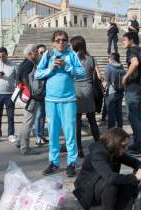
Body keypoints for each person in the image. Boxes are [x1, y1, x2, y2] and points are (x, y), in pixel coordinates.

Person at [73, 128, 141, 210]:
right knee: (112, 183)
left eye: (127, 145)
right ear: (114, 144)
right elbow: (110, 177)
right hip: (86, 190)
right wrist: (135, 177)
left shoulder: (114, 151)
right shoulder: (98, 154)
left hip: (99, 184)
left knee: (127, 181)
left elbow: (134, 162)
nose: (126, 148)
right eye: (124, 146)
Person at [35, 30, 85, 177]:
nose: (61, 42)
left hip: (68, 101)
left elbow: (82, 73)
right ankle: (54, 163)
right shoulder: (48, 55)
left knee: (70, 134)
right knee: (53, 134)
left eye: (64, 40)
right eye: (58, 40)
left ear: (67, 42)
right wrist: (51, 69)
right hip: (51, 101)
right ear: (53, 42)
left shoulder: (71, 55)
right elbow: (38, 74)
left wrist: (67, 67)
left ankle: (71, 163)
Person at [70, 35, 102, 158]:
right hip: (88, 91)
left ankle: (79, 150)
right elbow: (99, 76)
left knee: (77, 123)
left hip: (76, 91)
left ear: (76, 45)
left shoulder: (72, 59)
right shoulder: (91, 59)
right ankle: (99, 146)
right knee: (92, 120)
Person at [122, 32, 141, 157]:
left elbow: (135, 63)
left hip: (133, 88)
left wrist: (126, 76)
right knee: (138, 117)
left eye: (124, 40)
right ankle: (137, 144)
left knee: (133, 117)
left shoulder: (131, 50)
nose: (122, 42)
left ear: (131, 40)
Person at [17, 44, 44, 155]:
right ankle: (24, 148)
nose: (37, 54)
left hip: (27, 96)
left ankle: (19, 141)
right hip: (31, 97)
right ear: (30, 54)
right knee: (28, 122)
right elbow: (25, 79)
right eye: (35, 52)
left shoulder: (24, 63)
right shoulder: (29, 63)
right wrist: (32, 93)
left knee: (26, 120)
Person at [0, 47, 18, 144]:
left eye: (3, 56)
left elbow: (18, 78)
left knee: (10, 116)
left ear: (7, 54)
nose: (1, 58)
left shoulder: (13, 65)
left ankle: (11, 134)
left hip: (10, 94)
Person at [33, 44, 49, 146]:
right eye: (41, 52)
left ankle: (42, 135)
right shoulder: (35, 64)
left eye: (44, 52)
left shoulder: (48, 63)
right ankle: (37, 136)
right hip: (38, 92)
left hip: (47, 92)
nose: (43, 54)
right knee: (38, 115)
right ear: (37, 53)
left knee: (43, 115)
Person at [105, 53, 125, 129]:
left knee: (111, 113)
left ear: (111, 58)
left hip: (111, 92)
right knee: (119, 111)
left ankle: (111, 130)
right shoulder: (121, 66)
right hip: (120, 91)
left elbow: (106, 81)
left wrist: (103, 89)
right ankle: (120, 128)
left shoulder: (109, 67)